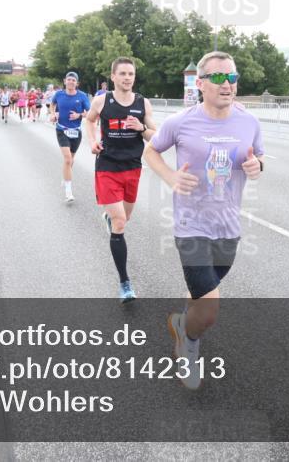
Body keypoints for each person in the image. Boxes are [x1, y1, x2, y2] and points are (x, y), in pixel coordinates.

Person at [144, 51, 263, 389]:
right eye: (220, 78)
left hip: (228, 227)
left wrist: (258, 166)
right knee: (209, 309)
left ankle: (184, 321)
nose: (228, 85)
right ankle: (188, 342)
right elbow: (151, 151)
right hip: (190, 225)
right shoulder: (180, 122)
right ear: (200, 83)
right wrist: (170, 177)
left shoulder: (249, 122)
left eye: (233, 77)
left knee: (202, 295)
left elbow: (259, 156)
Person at [85, 57, 157, 303]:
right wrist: (92, 141)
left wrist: (140, 128)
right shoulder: (102, 100)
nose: (127, 78)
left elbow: (154, 137)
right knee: (120, 223)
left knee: (125, 218)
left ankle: (110, 216)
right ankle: (125, 283)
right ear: (113, 77)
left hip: (132, 168)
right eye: (123, 73)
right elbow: (89, 120)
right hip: (107, 166)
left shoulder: (142, 103)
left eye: (131, 74)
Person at [50, 72, 91, 203]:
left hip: (76, 132)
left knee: (71, 160)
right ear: (64, 81)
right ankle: (68, 192)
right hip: (61, 129)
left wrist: (79, 115)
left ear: (77, 83)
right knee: (67, 159)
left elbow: (89, 113)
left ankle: (65, 175)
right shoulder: (59, 94)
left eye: (73, 80)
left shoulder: (82, 96)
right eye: (69, 79)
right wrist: (53, 114)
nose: (71, 82)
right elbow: (52, 104)